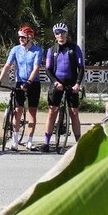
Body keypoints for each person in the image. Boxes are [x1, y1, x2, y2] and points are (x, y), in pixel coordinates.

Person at [0, 26, 44, 151]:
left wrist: (29, 82)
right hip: (19, 82)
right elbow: (7, 65)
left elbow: (36, 68)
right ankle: (15, 141)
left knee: (32, 112)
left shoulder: (37, 50)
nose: (21, 39)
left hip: (33, 83)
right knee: (17, 111)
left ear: (29, 37)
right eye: (20, 37)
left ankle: (30, 141)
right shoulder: (15, 49)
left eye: (23, 37)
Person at [42, 22, 85, 152]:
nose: (60, 35)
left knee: (74, 113)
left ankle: (79, 143)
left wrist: (78, 84)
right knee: (52, 112)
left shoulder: (74, 48)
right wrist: (55, 82)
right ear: (55, 35)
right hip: (57, 83)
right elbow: (48, 69)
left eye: (62, 32)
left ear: (66, 34)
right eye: (57, 33)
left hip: (72, 83)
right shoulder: (51, 50)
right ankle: (46, 142)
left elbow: (81, 68)